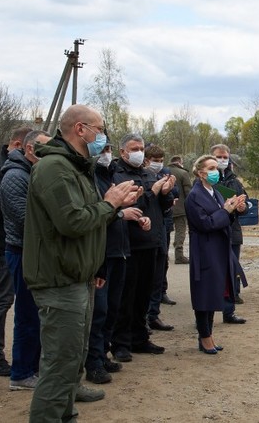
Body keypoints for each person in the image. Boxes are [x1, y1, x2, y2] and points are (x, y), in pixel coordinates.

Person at [23, 104, 140, 422]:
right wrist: (109, 204)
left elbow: (90, 216)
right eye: (100, 129)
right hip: (59, 279)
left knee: (71, 358)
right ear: (80, 129)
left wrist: (112, 207)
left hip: (77, 276)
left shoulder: (76, 167)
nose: (103, 136)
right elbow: (73, 222)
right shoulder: (55, 169)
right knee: (59, 365)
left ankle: (66, 413)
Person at [85, 144, 146, 385]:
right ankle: (93, 362)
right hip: (103, 253)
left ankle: (103, 353)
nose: (105, 152)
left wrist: (128, 207)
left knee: (112, 308)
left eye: (108, 147)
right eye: (103, 148)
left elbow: (113, 209)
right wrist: (120, 211)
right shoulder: (90, 178)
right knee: (98, 311)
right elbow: (95, 214)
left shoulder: (109, 175)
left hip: (120, 250)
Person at [110, 134, 174, 362]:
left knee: (144, 295)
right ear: (123, 152)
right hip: (130, 244)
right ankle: (121, 343)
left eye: (140, 148)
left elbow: (162, 207)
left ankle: (140, 338)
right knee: (126, 297)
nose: (139, 152)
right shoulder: (117, 175)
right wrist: (154, 191)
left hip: (152, 242)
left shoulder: (148, 174)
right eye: (133, 148)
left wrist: (165, 194)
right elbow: (131, 205)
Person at [0, 129, 51, 390]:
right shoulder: (15, 176)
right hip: (21, 252)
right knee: (27, 314)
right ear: (29, 149)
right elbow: (24, 219)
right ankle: (21, 373)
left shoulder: (31, 172)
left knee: (37, 314)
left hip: (34, 251)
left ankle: (33, 367)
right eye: (44, 148)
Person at [185, 155, 249, 356]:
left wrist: (233, 210)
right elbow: (205, 223)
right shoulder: (194, 196)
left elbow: (223, 219)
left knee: (214, 292)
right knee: (204, 293)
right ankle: (204, 337)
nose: (216, 171)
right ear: (200, 172)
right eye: (211, 168)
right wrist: (225, 211)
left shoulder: (216, 193)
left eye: (216, 168)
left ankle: (208, 335)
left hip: (219, 248)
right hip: (204, 249)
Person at [0, 126, 31, 377]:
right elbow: (4, 206)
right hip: (3, 243)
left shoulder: (22, 168)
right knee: (2, 299)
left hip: (20, 243)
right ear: (18, 144)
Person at [212, 144, 249, 324]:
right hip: (213, 232)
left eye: (225, 157)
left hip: (232, 232)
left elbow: (245, 201)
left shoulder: (235, 181)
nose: (222, 160)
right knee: (212, 273)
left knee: (231, 271)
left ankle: (229, 311)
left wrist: (242, 207)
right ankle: (206, 314)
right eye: (219, 157)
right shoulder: (207, 180)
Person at [144, 144, 177, 331]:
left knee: (158, 276)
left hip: (161, 232)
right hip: (144, 236)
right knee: (145, 281)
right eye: (155, 161)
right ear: (146, 160)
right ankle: (143, 318)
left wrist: (166, 192)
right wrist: (156, 190)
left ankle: (153, 315)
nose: (158, 164)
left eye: (160, 161)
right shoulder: (140, 178)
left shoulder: (162, 175)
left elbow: (169, 203)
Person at [168, 155, 192, 264]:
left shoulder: (164, 171)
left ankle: (164, 254)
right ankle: (179, 255)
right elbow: (188, 192)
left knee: (166, 231)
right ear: (179, 162)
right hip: (180, 208)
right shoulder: (183, 173)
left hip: (166, 207)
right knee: (180, 231)